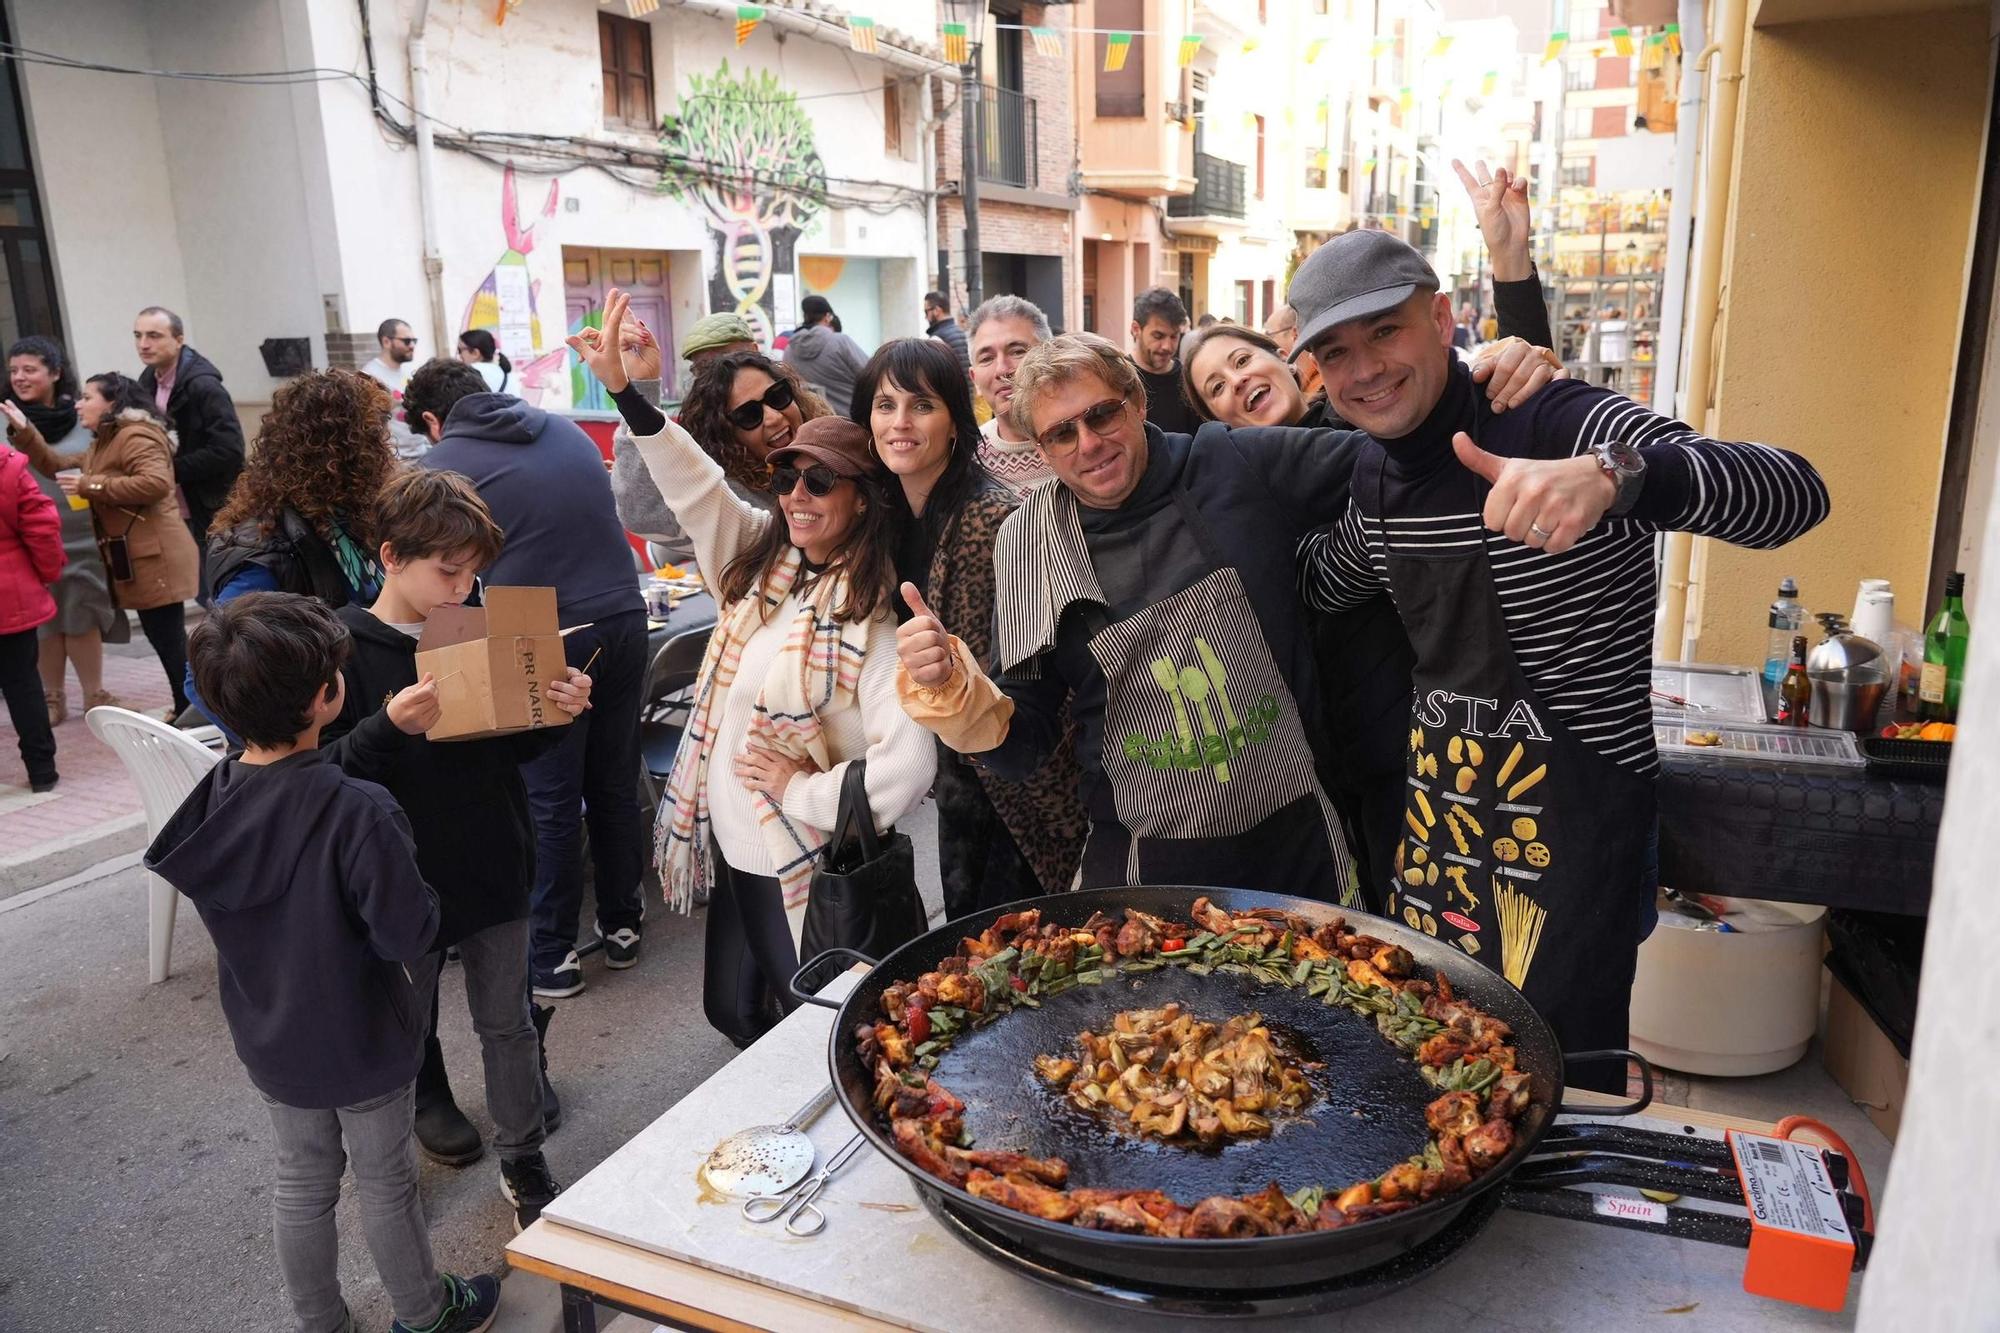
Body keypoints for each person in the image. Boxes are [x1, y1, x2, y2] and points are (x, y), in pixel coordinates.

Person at [1292, 229, 1829, 1076]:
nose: (1364, 370)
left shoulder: (1556, 417)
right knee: (1431, 1083)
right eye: (1336, 351)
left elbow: (1795, 492)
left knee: (1556, 1099)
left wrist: (1617, 477)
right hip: (1438, 842)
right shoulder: (1374, 476)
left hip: (1571, 839)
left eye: (1385, 332)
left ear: (1440, 318)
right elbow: (1325, 579)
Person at [893, 331, 1563, 896]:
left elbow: (1402, 459)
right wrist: (957, 692)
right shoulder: (1025, 543)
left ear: (1135, 399)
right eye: (1062, 433)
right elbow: (1029, 741)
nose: (1089, 443)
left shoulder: (1231, 460)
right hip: (1144, 867)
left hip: (1300, 847)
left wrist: (1484, 371)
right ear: (1039, 449)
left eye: (1102, 414)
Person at [572, 288, 935, 1044]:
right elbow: (695, 484)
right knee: (730, 1010)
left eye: (820, 481)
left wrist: (799, 788)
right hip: (735, 846)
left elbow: (906, 769)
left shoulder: (869, 621)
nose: (796, 496)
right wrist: (623, 391)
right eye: (786, 478)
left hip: (790, 852)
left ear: (863, 501)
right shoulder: (764, 559)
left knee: (814, 1035)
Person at [143, 592, 501, 1333]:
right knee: (385, 1180)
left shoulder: (212, 800)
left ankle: (320, 1320)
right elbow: (409, 933)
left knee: (301, 1180)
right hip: (364, 1032)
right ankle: (424, 1311)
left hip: (269, 1031)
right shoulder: (357, 809)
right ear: (327, 695)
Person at [322, 468, 590, 1225]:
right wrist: (387, 726)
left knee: (507, 1023)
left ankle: (523, 1153)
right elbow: (324, 775)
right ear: (389, 555)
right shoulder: (341, 647)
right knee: (404, 1033)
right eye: (448, 569)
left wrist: (557, 712)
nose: (463, 587)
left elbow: (516, 753)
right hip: (397, 879)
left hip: (495, 861)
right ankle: (391, 1174)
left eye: (474, 571)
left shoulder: (478, 626)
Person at [404, 359, 650, 1001]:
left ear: (433, 421)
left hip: (545, 630)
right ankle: (623, 924)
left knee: (551, 796)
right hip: (627, 613)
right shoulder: (564, 429)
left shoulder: (441, 466)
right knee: (614, 778)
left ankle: (552, 954)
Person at [850, 337, 1087, 915]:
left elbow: (1033, 687)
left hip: (1016, 787)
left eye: (922, 405)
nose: (900, 423)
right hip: (957, 778)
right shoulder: (884, 517)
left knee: (1013, 946)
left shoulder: (1000, 519)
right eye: (886, 406)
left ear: (957, 422)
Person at [6, 373, 200, 720]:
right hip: (140, 557)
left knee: (169, 640)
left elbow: (156, 483)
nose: (79, 403)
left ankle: (195, 710)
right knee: (163, 638)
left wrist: (90, 486)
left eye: (87, 397)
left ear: (112, 402)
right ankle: (188, 708)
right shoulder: (105, 440)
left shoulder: (135, 435)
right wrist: (25, 431)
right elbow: (56, 466)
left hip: (157, 556)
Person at [5, 337, 119, 722]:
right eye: (13, 370)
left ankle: (95, 693)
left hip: (83, 535)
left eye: (30, 369)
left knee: (83, 611)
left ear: (55, 373)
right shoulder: (6, 420)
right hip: (26, 540)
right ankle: (52, 697)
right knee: (45, 621)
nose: (19, 377)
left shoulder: (82, 416)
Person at [608, 312, 762, 562]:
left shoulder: (802, 419)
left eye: (730, 361)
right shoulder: (704, 438)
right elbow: (644, 512)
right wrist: (639, 388)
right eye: (704, 369)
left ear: (756, 352)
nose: (719, 378)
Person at [132, 306, 246, 591]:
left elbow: (229, 450)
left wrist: (169, 470)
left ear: (179, 339)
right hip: (172, 505)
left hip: (210, 505)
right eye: (138, 335)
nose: (144, 344)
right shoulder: (147, 380)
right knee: (196, 586)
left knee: (218, 588)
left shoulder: (204, 385)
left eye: (154, 336)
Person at [0, 429, 61, 791]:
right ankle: (42, 771)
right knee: (24, 684)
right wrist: (46, 572)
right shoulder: (8, 468)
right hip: (12, 595)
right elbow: (42, 526)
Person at [968, 295, 1058, 495]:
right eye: (986, 358)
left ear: (1049, 357)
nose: (1002, 369)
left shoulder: (1083, 439)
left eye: (1017, 351)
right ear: (974, 379)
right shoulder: (967, 462)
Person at [1129, 288, 1201, 435]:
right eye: (1158, 336)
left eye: (1174, 336)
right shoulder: (1118, 377)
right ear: (1136, 329)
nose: (1167, 346)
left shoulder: (1189, 380)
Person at [783, 295, 870, 417]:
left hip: (816, 426)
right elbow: (872, 375)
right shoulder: (840, 342)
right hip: (854, 422)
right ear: (828, 317)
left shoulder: (788, 351)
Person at [361, 318, 426, 459]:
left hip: (421, 452)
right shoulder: (370, 375)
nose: (412, 345)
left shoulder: (410, 369)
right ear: (386, 342)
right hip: (395, 458)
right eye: (407, 341)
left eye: (415, 341)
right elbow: (368, 420)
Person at [1264, 304, 1323, 401]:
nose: (1265, 344)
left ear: (1295, 335)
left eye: (1269, 335)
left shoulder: (1323, 389)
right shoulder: (1307, 384)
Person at [456, 328, 513, 394]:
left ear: (475, 353)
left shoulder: (469, 373)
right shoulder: (507, 374)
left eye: (460, 350)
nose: (459, 355)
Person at [923, 291, 969, 371]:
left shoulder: (936, 339)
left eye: (926, 312)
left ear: (937, 310)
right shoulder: (962, 333)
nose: (925, 317)